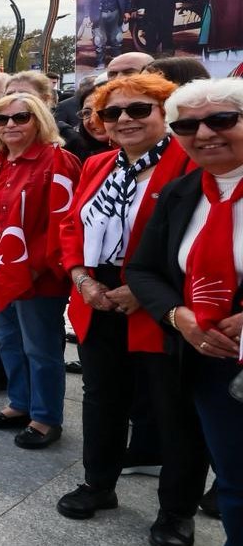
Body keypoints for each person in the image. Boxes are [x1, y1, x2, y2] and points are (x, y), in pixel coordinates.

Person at [53, 74, 207, 542]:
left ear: (166, 114)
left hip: (163, 302)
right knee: (102, 398)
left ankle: (176, 512)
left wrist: (143, 291)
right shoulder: (99, 164)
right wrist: (81, 277)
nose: (123, 119)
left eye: (139, 109)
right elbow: (71, 226)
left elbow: (198, 240)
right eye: (111, 112)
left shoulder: (192, 164)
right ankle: (99, 484)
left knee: (172, 409)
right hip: (97, 296)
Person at [126, 77, 243, 540]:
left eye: (221, 120)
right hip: (207, 364)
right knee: (235, 482)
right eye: (188, 125)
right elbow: (143, 270)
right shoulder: (181, 192)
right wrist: (180, 317)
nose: (205, 133)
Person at [0, 93, 81, 450]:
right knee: (6, 340)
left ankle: (45, 417)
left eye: (21, 117)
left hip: (36, 275)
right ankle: (20, 404)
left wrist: (34, 269)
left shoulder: (59, 161)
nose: (10, 125)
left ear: (39, 120)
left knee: (40, 348)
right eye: (1, 119)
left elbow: (64, 223)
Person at [89, 0, 133, 66]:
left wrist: (127, 11)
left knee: (117, 39)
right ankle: (100, 63)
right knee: (99, 40)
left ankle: (116, 64)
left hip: (116, 13)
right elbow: (90, 1)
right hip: (100, 15)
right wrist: (89, 17)